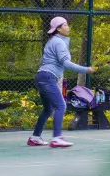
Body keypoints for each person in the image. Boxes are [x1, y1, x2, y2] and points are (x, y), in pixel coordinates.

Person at [28, 16, 96, 148]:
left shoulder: (53, 41)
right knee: (61, 106)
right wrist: (85, 69)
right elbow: (65, 63)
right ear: (58, 29)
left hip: (42, 77)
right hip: (48, 77)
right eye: (65, 25)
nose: (68, 27)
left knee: (48, 109)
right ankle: (57, 138)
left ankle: (35, 137)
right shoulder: (59, 42)